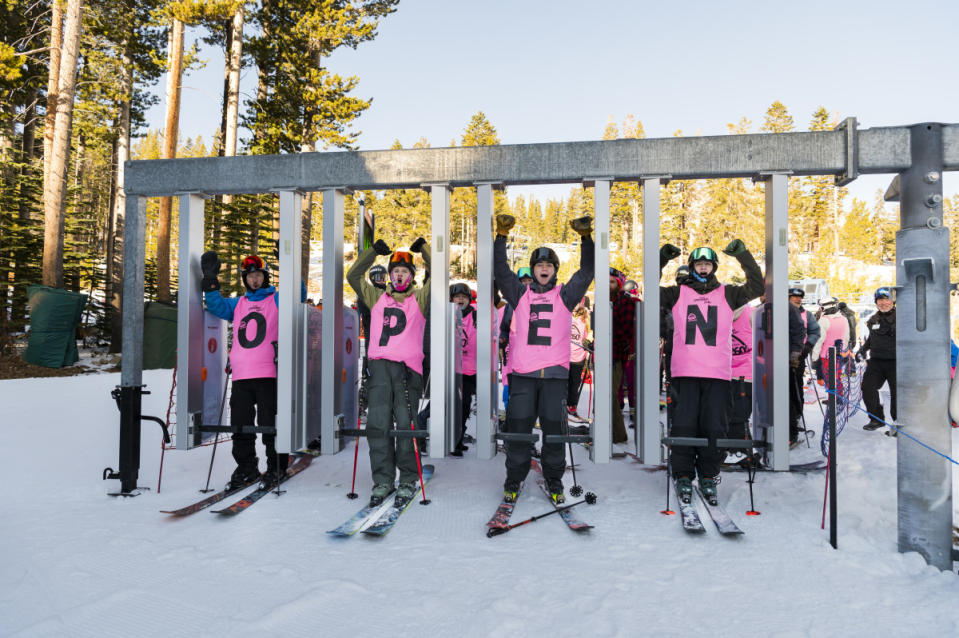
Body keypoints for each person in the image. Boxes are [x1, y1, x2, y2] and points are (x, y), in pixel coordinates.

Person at [494, 213, 594, 504]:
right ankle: (513, 480)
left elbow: (586, 272)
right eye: (539, 265)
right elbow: (501, 270)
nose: (544, 269)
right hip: (524, 376)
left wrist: (586, 238)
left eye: (549, 265)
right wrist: (502, 236)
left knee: (554, 433)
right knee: (519, 432)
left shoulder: (566, 296)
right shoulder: (520, 295)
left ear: (554, 270)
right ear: (533, 269)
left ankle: (554, 481)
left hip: (554, 378)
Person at [658, 240, 763, 504]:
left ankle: (708, 475)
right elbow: (650, 287)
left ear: (713, 267)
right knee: (684, 426)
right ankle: (683, 474)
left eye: (707, 264)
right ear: (692, 267)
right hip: (685, 373)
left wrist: (743, 255)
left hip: (717, 374)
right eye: (698, 264)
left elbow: (758, 287)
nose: (703, 268)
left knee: (715, 427)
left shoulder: (727, 294)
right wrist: (661, 259)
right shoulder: (677, 293)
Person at [201, 252, 305, 488]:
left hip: (269, 374)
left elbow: (298, 294)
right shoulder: (239, 304)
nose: (254, 280)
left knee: (271, 423)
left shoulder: (277, 300)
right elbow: (216, 305)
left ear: (265, 276)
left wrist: (289, 261)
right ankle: (247, 467)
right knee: (240, 425)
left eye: (258, 275)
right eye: (250, 277)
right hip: (241, 375)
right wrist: (210, 280)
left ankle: (276, 465)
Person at [346, 237, 431, 507]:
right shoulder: (377, 297)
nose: (399, 275)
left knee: (406, 426)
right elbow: (353, 275)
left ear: (411, 275)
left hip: (407, 372)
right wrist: (373, 252)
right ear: (390, 276)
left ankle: (407, 479)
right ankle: (383, 480)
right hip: (380, 369)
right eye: (395, 272)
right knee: (378, 425)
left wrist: (425, 251)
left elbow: (439, 278)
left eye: (405, 272)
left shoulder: (420, 298)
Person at [858, 287, 896, 432]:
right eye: (880, 300)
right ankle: (876, 419)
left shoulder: (902, 318)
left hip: (896, 362)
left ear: (893, 301)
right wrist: (862, 350)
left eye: (887, 299)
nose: (883, 303)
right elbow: (871, 340)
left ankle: (898, 424)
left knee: (897, 393)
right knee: (867, 387)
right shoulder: (873, 319)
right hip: (876, 362)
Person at [610, 267, 636, 444]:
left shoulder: (625, 302)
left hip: (616, 355)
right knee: (606, 397)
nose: (608, 285)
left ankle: (619, 435)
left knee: (610, 396)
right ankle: (612, 433)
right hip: (606, 354)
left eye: (612, 282)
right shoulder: (605, 300)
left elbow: (625, 331)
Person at [450, 282, 475, 456]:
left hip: (469, 370)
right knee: (445, 406)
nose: (460, 299)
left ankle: (457, 440)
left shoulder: (476, 315)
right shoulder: (447, 314)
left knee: (464, 406)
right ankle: (426, 435)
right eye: (457, 297)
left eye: (463, 297)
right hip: (451, 369)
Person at [568, 304, 591, 422]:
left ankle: (564, 404)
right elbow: (584, 339)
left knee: (566, 382)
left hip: (567, 356)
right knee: (575, 383)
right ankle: (572, 406)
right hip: (577, 358)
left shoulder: (570, 320)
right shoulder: (583, 325)